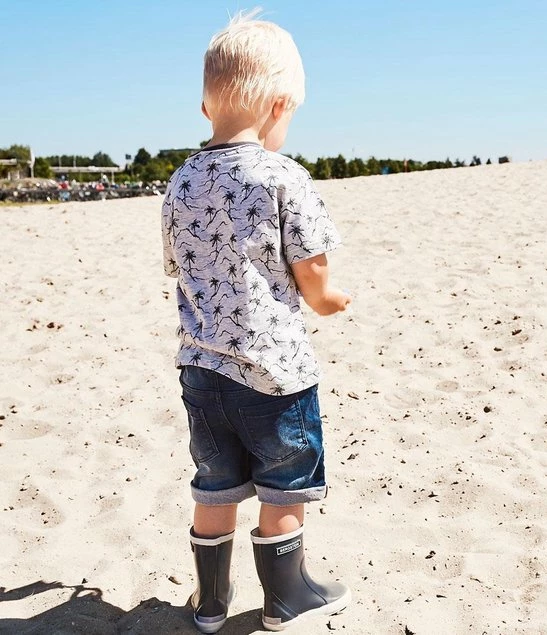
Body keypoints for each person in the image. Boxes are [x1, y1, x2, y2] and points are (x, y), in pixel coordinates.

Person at [161, 10, 352, 633]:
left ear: (205, 107)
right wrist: (331, 300)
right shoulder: (284, 177)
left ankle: (210, 603)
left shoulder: (180, 181)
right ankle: (286, 596)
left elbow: (178, 265)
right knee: (285, 484)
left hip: (202, 372)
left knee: (214, 485)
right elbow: (313, 277)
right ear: (278, 106)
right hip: (276, 376)